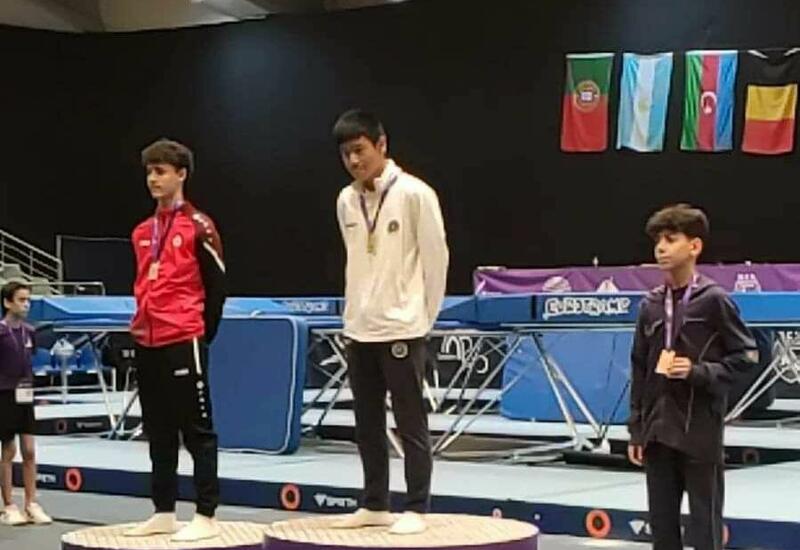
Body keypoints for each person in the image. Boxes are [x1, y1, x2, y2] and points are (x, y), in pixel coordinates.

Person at [331, 109, 449, 535]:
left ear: (381, 145)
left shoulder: (416, 194)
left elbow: (437, 261)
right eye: (346, 154)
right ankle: (375, 503)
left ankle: (417, 506)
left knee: (410, 421)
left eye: (360, 150)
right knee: (366, 424)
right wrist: (356, 314)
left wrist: (421, 319)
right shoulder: (345, 200)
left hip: (403, 328)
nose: (354, 161)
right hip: (359, 328)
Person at [628, 204, 758, 550]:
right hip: (657, 432)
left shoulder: (714, 300)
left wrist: (698, 372)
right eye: (658, 241)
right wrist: (637, 429)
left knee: (704, 531)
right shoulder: (650, 304)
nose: (661, 248)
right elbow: (639, 367)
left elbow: (747, 357)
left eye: (671, 239)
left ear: (694, 246)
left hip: (700, 431)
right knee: (662, 531)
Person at [125, 138, 226, 542]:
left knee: (197, 430)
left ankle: (206, 513)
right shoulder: (141, 232)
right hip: (147, 339)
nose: (153, 179)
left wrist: (200, 335)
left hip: (184, 336)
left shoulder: (199, 226)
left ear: (181, 174)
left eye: (161, 171)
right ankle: (163, 510)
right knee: (158, 430)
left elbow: (217, 287)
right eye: (149, 172)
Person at [0, 281, 52, 526]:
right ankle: (9, 506)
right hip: (4, 394)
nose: (27, 304)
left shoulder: (29, 332)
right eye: (21, 300)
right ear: (7, 302)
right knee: (8, 451)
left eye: (28, 300)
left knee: (29, 450)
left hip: (25, 394)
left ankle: (31, 504)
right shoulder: (1, 332)